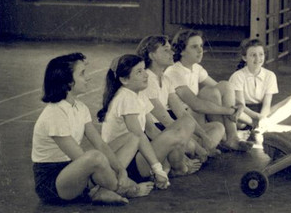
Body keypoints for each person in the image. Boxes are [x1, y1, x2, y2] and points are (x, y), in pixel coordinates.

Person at [31, 53, 135, 205]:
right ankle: (122, 188)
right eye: (82, 74)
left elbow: (100, 144)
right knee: (94, 157)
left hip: (72, 170)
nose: (88, 78)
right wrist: (124, 181)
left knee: (131, 137)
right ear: (68, 82)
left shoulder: (80, 107)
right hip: (52, 184)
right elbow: (81, 158)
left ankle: (104, 189)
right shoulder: (55, 114)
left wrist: (121, 170)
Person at [98, 54, 189, 191]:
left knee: (177, 132)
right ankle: (173, 169)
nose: (146, 75)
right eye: (139, 72)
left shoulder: (138, 94)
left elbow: (151, 130)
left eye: (144, 69)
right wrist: (157, 168)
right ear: (124, 79)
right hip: (125, 162)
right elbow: (139, 135)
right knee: (173, 136)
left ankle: (171, 167)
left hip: (135, 155)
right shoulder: (126, 97)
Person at [164, 29, 246, 151]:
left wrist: (240, 105)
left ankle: (232, 138)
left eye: (201, 46)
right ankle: (221, 139)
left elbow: (222, 88)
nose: (200, 50)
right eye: (194, 47)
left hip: (197, 116)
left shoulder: (196, 68)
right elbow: (195, 105)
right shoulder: (174, 71)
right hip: (182, 118)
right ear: (182, 51)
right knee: (209, 92)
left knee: (225, 85)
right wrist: (230, 111)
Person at [135, 35, 207, 171]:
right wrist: (198, 148)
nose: (172, 53)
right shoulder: (148, 80)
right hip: (154, 132)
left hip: (163, 129)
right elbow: (166, 121)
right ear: (152, 56)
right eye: (166, 50)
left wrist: (204, 137)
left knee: (194, 125)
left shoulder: (165, 79)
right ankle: (176, 164)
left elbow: (181, 112)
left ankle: (176, 160)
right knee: (190, 145)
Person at [227, 37, 291, 150]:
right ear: (244, 57)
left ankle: (260, 128)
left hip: (262, 111)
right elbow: (241, 106)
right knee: (234, 115)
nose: (258, 58)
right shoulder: (237, 76)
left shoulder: (270, 75)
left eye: (261, 54)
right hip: (245, 113)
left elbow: (266, 105)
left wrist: (263, 117)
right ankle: (261, 126)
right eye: (253, 55)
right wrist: (259, 117)